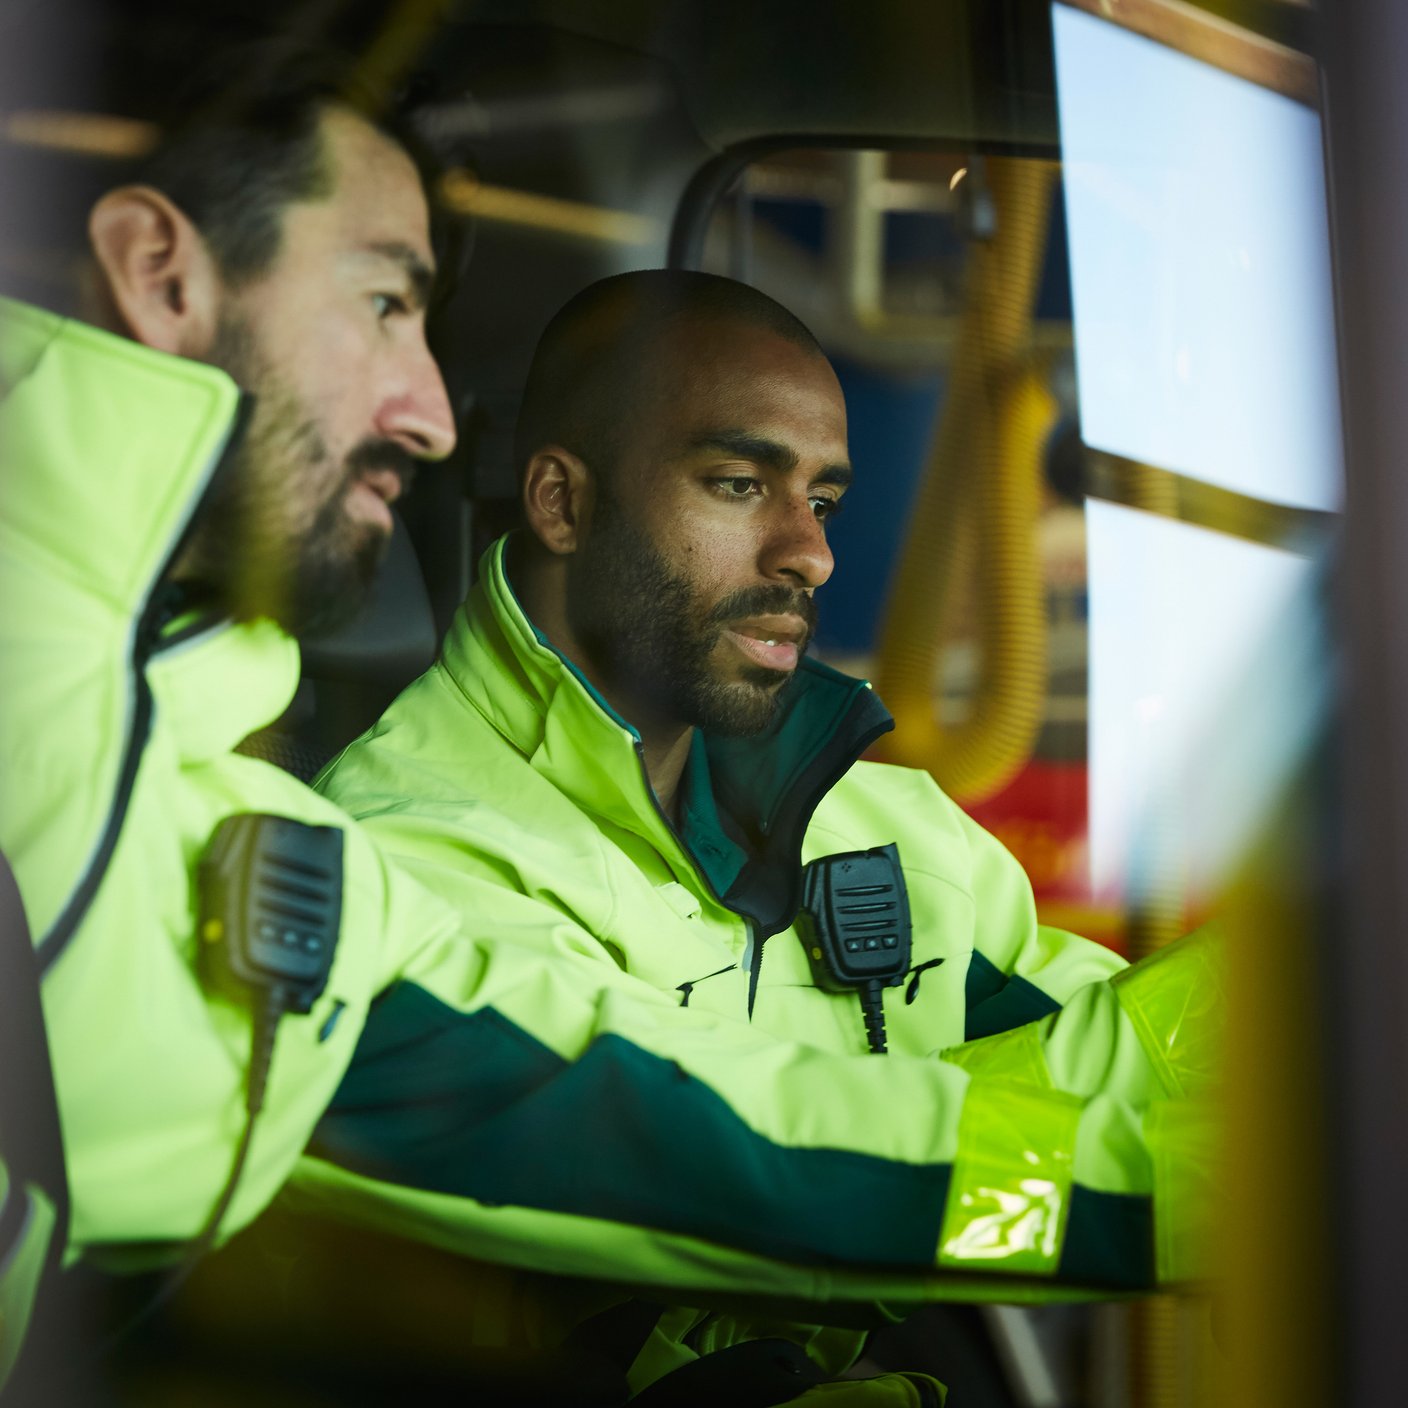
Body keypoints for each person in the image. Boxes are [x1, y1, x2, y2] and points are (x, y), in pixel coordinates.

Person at [313, 270, 1222, 1396]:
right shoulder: (406, 857)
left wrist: (1318, 1013)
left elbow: (1081, 1061)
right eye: (741, 483)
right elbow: (762, 1160)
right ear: (560, 503)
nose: (811, 554)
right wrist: (1189, 1199)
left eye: (825, 502)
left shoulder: (875, 824)